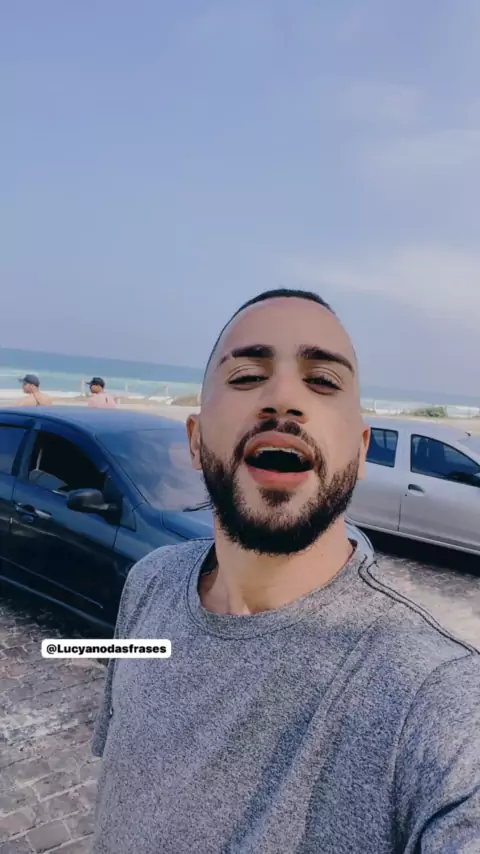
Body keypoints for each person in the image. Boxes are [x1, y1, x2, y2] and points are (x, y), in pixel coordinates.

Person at [91, 288, 480, 854]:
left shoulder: (438, 696)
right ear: (195, 441)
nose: (283, 399)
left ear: (360, 452)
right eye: (248, 376)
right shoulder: (149, 581)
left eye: (322, 381)